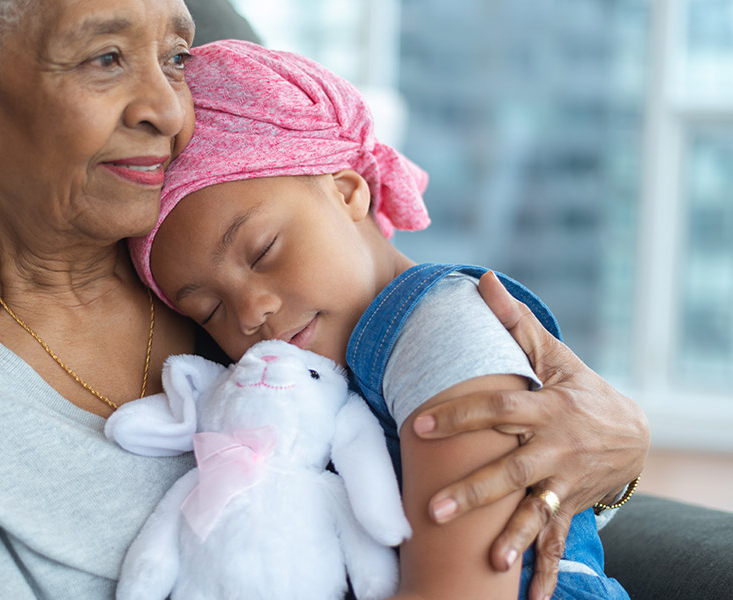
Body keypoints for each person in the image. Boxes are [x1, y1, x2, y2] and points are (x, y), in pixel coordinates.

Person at [0, 0, 646, 598]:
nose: (170, 110)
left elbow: (469, 403)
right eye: (103, 57)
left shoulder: (226, 236)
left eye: (174, 55)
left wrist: (612, 459)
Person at [129, 40, 635, 598]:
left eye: (264, 251)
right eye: (210, 309)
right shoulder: (305, 379)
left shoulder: (440, 327)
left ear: (347, 192)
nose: (252, 314)